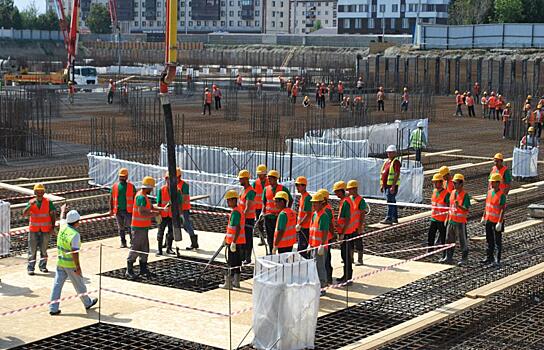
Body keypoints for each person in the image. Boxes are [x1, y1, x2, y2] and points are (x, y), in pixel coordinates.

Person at [49, 205, 98, 316]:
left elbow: (61, 219)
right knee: (80, 285)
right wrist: (78, 268)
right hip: (70, 265)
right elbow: (74, 253)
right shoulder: (75, 235)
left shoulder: (63, 227)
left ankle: (53, 308)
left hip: (60, 262)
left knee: (57, 285)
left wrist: (62, 210)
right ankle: (87, 302)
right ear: (76, 222)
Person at [126, 176, 164, 279]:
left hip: (143, 228)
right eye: (151, 188)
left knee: (144, 248)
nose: (152, 190)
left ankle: (143, 269)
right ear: (148, 187)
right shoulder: (141, 197)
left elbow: (150, 207)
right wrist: (155, 214)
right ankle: (129, 270)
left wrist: (161, 209)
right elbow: (142, 212)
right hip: (138, 228)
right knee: (136, 248)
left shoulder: (144, 196)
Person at [23, 183, 56, 275]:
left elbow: (53, 215)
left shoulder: (48, 202)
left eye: (41, 191)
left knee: (44, 249)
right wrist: (30, 206)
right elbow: (24, 213)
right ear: (35, 192)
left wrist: (52, 227)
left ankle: (43, 266)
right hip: (34, 230)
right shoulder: (31, 202)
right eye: (38, 191)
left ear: (44, 192)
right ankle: (30, 268)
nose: (40, 193)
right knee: (32, 250)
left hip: (45, 230)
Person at [261, 170, 292, 254]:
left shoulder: (283, 189)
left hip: (278, 217)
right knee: (270, 236)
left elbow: (290, 200)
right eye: (268, 178)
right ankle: (271, 251)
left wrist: (286, 210)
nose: (269, 180)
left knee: (278, 235)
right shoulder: (266, 189)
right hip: (268, 217)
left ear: (276, 179)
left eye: (271, 178)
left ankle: (277, 250)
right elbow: (264, 202)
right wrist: (262, 212)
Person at [443, 173, 471, 266]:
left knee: (462, 241)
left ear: (461, 184)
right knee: (448, 239)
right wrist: (447, 218)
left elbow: (466, 208)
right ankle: (449, 257)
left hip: (460, 222)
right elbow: (450, 207)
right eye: (454, 183)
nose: (454, 185)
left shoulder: (465, 195)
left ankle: (464, 259)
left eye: (456, 183)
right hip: (451, 220)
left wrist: (459, 206)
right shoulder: (452, 193)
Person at [220, 190, 246, 289]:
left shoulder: (236, 212)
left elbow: (237, 228)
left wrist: (233, 242)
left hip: (235, 243)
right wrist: (226, 238)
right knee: (237, 263)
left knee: (231, 262)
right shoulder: (238, 210)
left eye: (229, 200)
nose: (227, 202)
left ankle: (229, 283)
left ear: (234, 200)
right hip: (238, 242)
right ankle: (236, 282)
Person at [481, 173, 506, 267]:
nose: (491, 183)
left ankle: (497, 259)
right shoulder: (489, 192)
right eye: (491, 181)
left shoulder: (501, 195)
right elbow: (487, 206)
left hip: (496, 221)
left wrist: (500, 222)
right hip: (489, 220)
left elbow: (502, 209)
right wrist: (483, 216)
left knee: (497, 241)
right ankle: (489, 257)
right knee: (489, 240)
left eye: (493, 182)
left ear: (498, 183)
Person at [309, 192, 330, 295]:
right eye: (313, 203)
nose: (313, 205)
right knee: (314, 266)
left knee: (320, 267)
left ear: (321, 204)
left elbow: (325, 232)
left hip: (320, 246)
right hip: (314, 245)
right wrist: (310, 243)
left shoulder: (324, 216)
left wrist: (322, 245)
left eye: (315, 203)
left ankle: (322, 287)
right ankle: (317, 286)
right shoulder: (314, 214)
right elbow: (312, 230)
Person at [110, 168, 136, 248]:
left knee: (129, 227)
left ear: (127, 177)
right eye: (121, 176)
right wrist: (111, 209)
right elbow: (111, 198)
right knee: (121, 228)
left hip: (128, 211)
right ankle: (123, 242)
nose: (122, 178)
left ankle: (133, 242)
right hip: (118, 210)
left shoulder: (131, 186)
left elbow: (135, 198)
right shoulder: (115, 186)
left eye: (123, 176)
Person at [156, 171, 181, 256]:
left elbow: (179, 204)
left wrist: (179, 215)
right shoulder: (161, 190)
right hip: (163, 215)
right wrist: (158, 213)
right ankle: (159, 249)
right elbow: (158, 203)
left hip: (172, 215)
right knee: (160, 232)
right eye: (167, 179)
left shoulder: (177, 190)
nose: (169, 181)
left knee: (171, 232)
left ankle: (169, 248)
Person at [176, 168, 199, 250]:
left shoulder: (184, 185)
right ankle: (167, 243)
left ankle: (194, 243)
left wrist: (180, 209)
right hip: (176, 208)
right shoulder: (173, 185)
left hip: (184, 209)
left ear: (179, 177)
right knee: (173, 224)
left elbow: (184, 198)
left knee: (187, 225)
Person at [332, 181, 350, 282]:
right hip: (343, 231)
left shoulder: (346, 202)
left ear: (342, 191)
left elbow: (347, 219)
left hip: (346, 233)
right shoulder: (344, 201)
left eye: (337, 192)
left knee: (346, 255)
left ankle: (347, 277)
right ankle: (346, 276)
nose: (336, 194)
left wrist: (342, 233)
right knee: (344, 255)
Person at [346, 180, 366, 266]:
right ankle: (351, 258)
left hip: (357, 226)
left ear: (355, 189)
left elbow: (362, 214)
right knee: (350, 243)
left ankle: (360, 259)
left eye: (350, 189)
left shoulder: (360, 200)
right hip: (350, 227)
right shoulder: (349, 199)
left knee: (358, 242)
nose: (349, 191)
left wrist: (360, 226)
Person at [428, 174, 449, 256]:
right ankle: (430, 251)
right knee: (431, 235)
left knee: (443, 237)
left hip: (442, 219)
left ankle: (445, 254)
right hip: (434, 218)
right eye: (434, 182)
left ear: (440, 183)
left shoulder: (446, 194)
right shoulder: (434, 191)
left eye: (436, 182)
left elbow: (448, 206)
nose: (434, 184)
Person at [238, 170, 256, 265]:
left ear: (246, 179)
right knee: (242, 239)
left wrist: (242, 219)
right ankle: (242, 257)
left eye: (241, 179)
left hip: (248, 219)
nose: (239, 181)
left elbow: (248, 208)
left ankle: (247, 258)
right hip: (243, 218)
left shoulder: (250, 192)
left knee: (248, 239)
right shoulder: (243, 190)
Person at [380, 145, 401, 224]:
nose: (388, 154)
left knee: (390, 201)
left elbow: (396, 173)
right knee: (392, 201)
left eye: (390, 152)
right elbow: (383, 173)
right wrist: (382, 185)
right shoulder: (387, 162)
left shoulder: (396, 162)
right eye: (388, 152)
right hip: (386, 185)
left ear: (394, 153)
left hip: (391, 186)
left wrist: (393, 186)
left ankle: (389, 218)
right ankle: (394, 217)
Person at [294, 176, 312, 258]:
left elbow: (308, 214)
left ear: (304, 186)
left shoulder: (307, 198)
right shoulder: (303, 197)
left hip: (305, 227)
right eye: (296, 185)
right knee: (301, 248)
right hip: (302, 227)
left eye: (298, 185)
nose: (297, 187)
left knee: (302, 250)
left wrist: (300, 224)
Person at [252, 164, 269, 246]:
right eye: (259, 173)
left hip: (268, 207)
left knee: (268, 224)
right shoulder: (255, 183)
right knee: (260, 224)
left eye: (261, 173)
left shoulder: (269, 182)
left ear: (265, 174)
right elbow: (252, 194)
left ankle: (270, 240)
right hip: (258, 207)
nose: (259, 175)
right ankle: (262, 239)